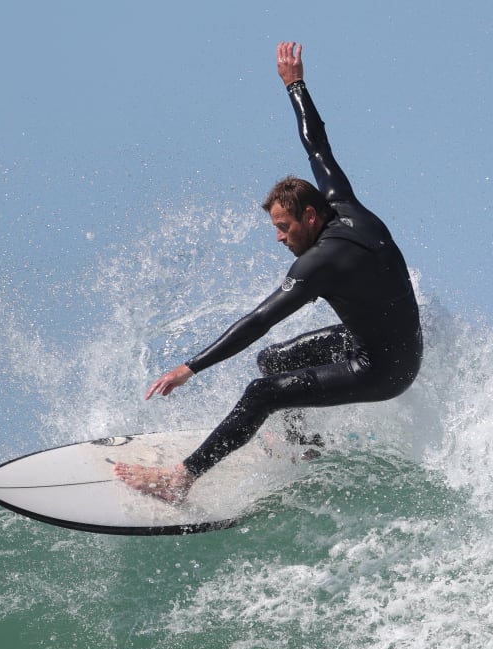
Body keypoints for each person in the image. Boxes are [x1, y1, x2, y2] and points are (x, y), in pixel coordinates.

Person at [114, 41, 423, 503]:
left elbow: (260, 320)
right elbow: (317, 145)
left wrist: (190, 367)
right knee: (277, 362)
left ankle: (180, 480)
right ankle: (305, 450)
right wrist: (294, 84)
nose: (279, 238)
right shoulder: (343, 204)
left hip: (383, 368)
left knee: (262, 392)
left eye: (284, 227)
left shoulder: (321, 261)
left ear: (310, 218)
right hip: (393, 341)